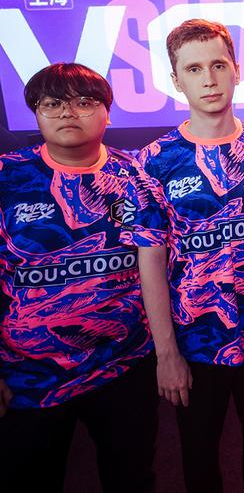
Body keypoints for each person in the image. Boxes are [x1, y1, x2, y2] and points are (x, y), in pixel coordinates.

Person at [122, 18, 244, 493]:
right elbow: (149, 260)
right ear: (176, 80)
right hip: (194, 337)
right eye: (194, 69)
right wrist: (165, 353)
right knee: (199, 452)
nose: (209, 79)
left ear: (236, 70)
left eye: (218, 65)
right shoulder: (155, 160)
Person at [0, 63, 156, 492]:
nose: (68, 112)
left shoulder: (136, 178)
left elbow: (157, 271)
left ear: (107, 112)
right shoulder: (7, 177)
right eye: (52, 104)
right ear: (36, 113)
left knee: (131, 478)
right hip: (30, 373)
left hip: (122, 363)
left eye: (84, 102)